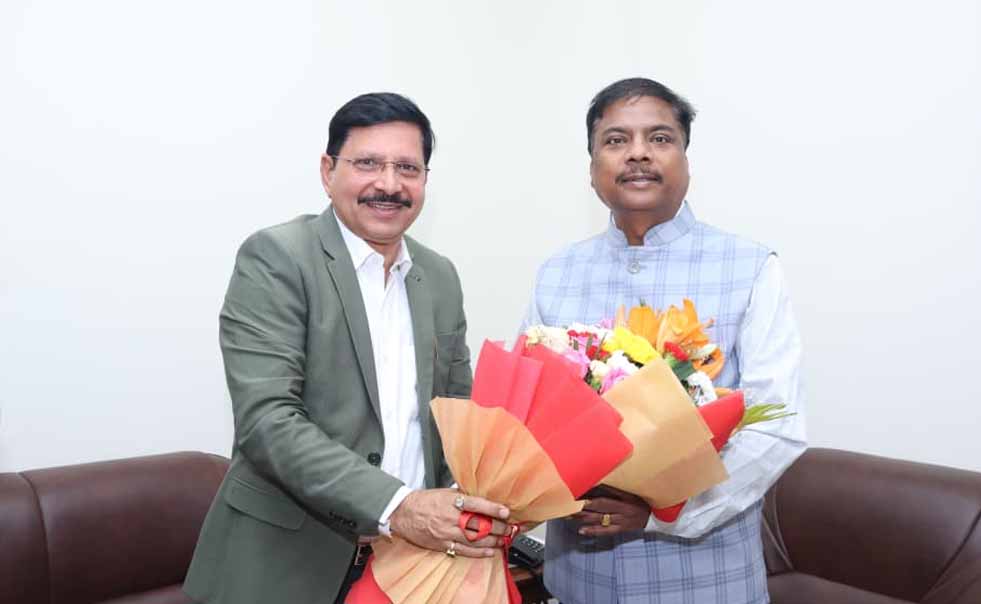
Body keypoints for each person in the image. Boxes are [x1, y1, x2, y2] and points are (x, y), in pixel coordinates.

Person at [184, 92, 510, 604]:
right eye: (368, 163)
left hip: (414, 565)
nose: (389, 184)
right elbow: (268, 421)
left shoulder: (440, 276)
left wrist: (482, 497)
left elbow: (456, 412)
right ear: (328, 170)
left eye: (408, 168)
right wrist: (399, 506)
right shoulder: (277, 258)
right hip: (287, 565)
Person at [522, 77, 807, 603]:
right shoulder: (557, 273)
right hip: (580, 579)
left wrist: (668, 511)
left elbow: (777, 427)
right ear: (591, 168)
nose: (638, 153)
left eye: (659, 138)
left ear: (685, 160)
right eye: (615, 140)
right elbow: (529, 413)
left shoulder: (749, 267)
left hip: (704, 582)